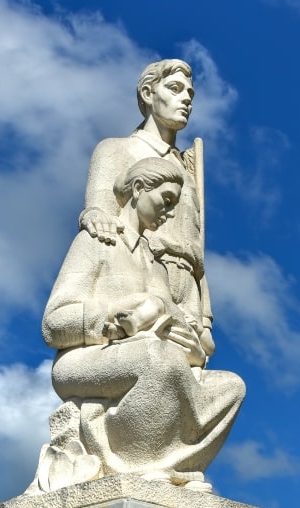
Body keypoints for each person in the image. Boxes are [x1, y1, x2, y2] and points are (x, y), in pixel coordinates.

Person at [38, 157, 244, 486]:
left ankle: (172, 466)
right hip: (81, 363)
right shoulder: (95, 242)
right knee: (157, 357)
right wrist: (114, 317)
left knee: (230, 387)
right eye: (166, 200)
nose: (171, 212)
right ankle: (130, 459)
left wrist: (191, 346)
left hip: (149, 357)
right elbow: (53, 324)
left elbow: (177, 331)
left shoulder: (157, 266)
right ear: (138, 189)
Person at [80, 60, 214, 360]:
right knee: (146, 360)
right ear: (148, 93)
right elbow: (98, 214)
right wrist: (93, 216)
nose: (186, 100)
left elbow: (196, 244)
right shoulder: (115, 149)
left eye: (190, 95)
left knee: (193, 366)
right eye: (175, 89)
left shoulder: (187, 173)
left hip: (187, 283)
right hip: (142, 268)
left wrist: (205, 314)